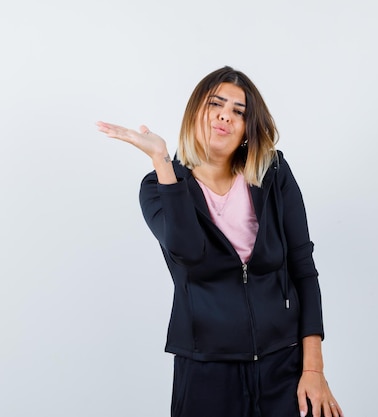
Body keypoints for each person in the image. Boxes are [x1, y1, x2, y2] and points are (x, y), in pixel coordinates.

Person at [96, 66, 342, 417]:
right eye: (216, 104)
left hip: (284, 366)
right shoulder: (158, 188)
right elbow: (188, 255)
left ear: (246, 128)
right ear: (197, 111)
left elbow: (303, 269)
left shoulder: (272, 173)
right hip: (206, 372)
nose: (226, 115)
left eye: (239, 111)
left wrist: (314, 370)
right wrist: (164, 164)